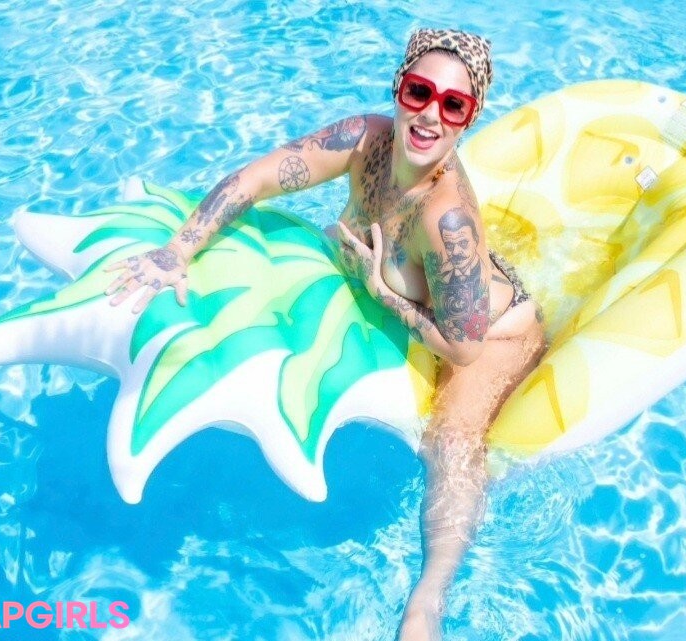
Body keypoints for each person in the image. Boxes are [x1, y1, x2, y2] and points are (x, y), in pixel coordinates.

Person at [102, 28, 546, 641]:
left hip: (492, 334)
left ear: (469, 118)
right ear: (399, 87)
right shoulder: (364, 141)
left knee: (450, 443)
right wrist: (179, 250)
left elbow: (464, 346)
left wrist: (385, 294)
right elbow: (257, 179)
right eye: (419, 92)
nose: (430, 115)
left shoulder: (448, 219)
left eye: (453, 105)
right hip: (448, 297)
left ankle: (427, 599)